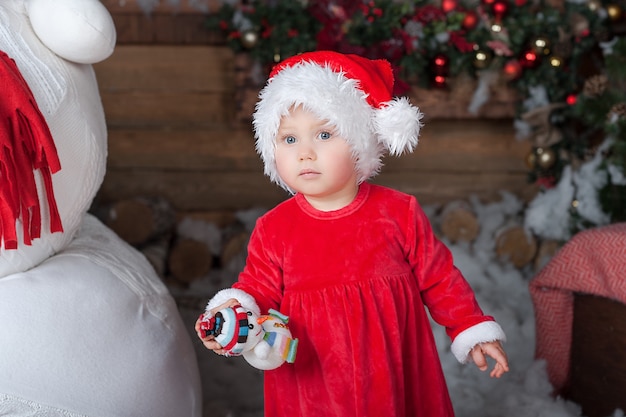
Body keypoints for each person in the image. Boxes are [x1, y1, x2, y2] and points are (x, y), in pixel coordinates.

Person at [196, 50, 509, 417]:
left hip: (389, 367)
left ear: (359, 141)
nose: (306, 154)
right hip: (312, 378)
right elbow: (259, 289)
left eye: (324, 134)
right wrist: (233, 313)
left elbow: (439, 278)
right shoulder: (275, 228)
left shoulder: (397, 213)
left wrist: (471, 327)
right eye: (290, 140)